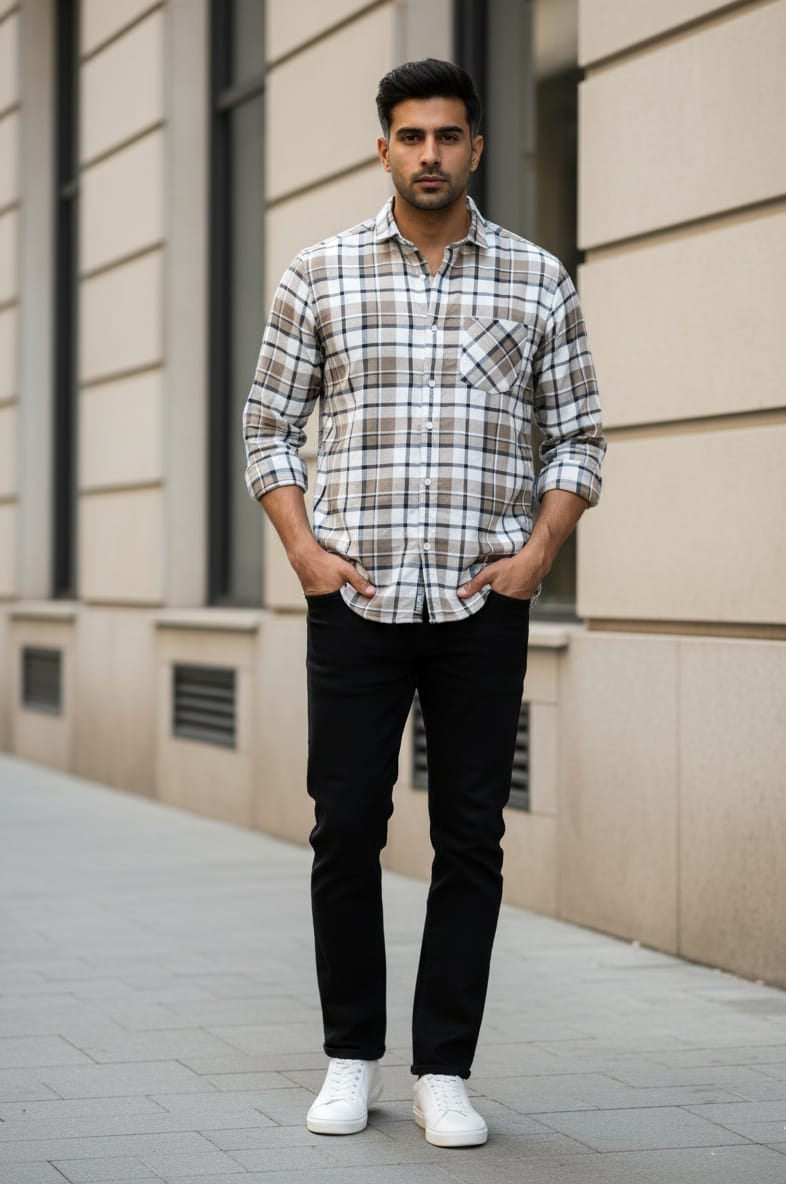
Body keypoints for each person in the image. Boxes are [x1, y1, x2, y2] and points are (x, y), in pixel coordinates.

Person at [243, 58, 605, 1148]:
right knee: (346, 827)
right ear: (385, 147)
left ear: (477, 148)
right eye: (412, 136)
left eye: (449, 136)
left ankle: (444, 1064)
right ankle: (351, 1054)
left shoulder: (537, 279)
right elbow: (269, 425)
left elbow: (579, 436)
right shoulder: (320, 273)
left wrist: (539, 552)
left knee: (471, 839)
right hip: (353, 600)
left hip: (480, 605)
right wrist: (304, 550)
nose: (431, 154)